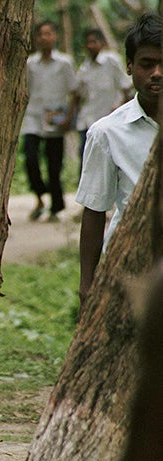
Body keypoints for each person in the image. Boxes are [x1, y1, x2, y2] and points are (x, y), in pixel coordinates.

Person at [76, 13, 161, 305]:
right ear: (129, 67)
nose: (157, 73)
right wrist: (87, 282)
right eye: (147, 64)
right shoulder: (107, 133)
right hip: (131, 269)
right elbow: (94, 209)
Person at [21, 20, 78, 222]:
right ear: (36, 38)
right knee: (30, 157)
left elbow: (74, 92)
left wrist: (69, 118)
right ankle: (39, 196)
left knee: (54, 164)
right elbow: (24, 90)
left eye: (49, 34)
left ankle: (56, 206)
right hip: (33, 116)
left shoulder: (65, 63)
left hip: (56, 118)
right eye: (41, 34)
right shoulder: (29, 64)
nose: (45, 38)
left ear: (55, 37)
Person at [71, 29, 133, 163]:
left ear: (102, 43)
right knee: (85, 155)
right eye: (88, 42)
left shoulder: (111, 61)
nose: (90, 46)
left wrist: (120, 107)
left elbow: (126, 86)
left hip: (110, 118)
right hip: (87, 120)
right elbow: (77, 94)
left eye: (94, 42)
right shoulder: (84, 68)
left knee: (110, 157)